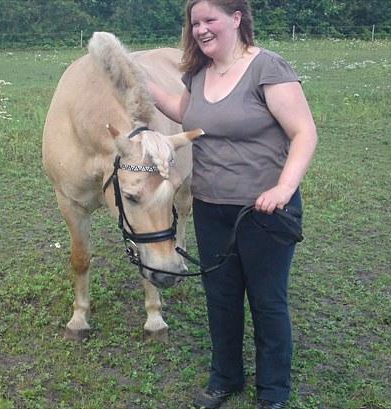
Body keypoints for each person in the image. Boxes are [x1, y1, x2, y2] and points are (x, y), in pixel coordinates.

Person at [147, 1, 317, 408]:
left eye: (210, 20)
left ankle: (273, 392)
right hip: (211, 207)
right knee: (220, 298)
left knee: (266, 300)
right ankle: (225, 377)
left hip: (265, 212)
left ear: (237, 18)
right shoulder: (198, 73)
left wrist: (283, 189)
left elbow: (304, 132)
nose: (202, 30)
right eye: (195, 23)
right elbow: (184, 113)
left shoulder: (267, 68)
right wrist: (136, 79)